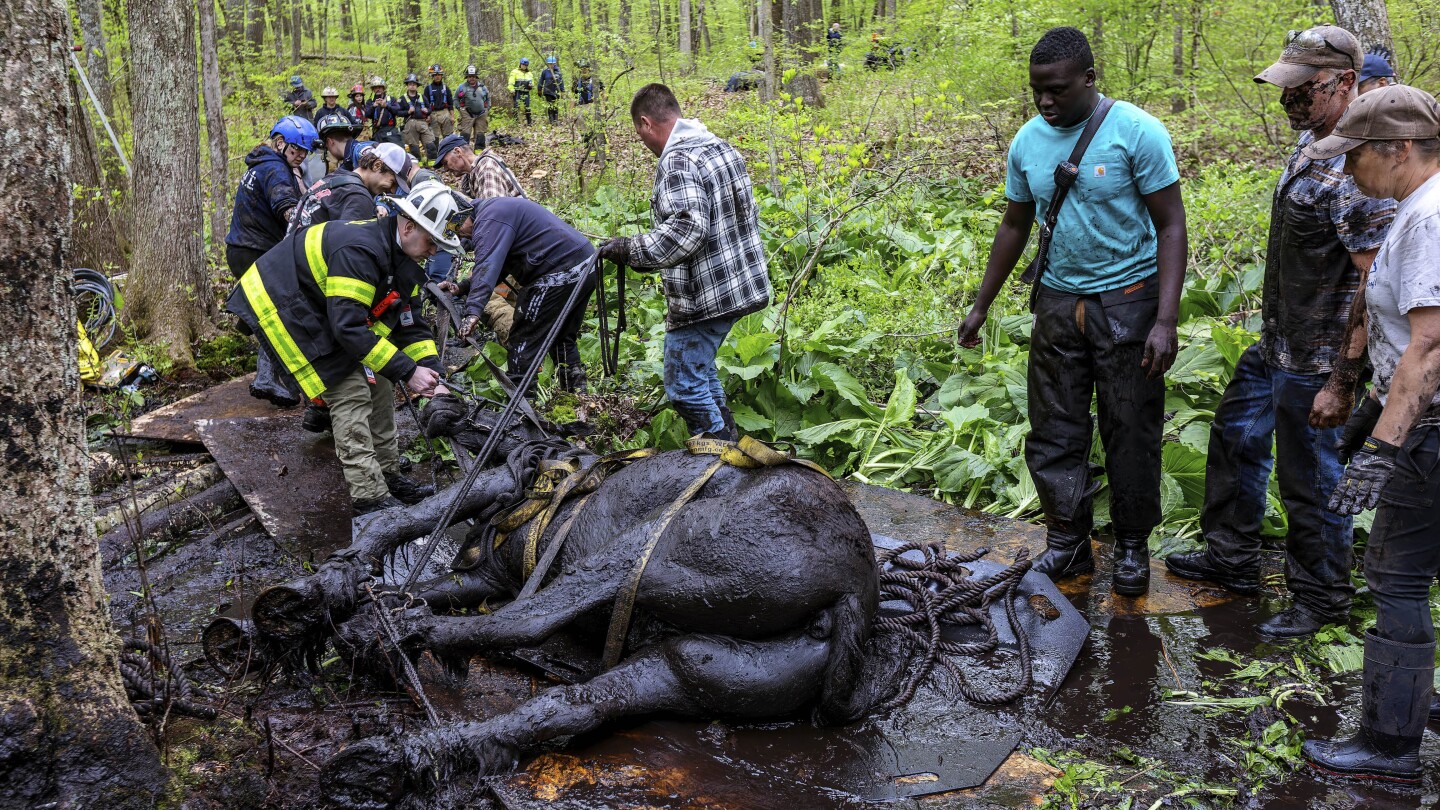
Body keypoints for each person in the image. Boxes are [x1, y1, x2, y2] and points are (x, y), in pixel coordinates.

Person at [1164, 25, 1395, 636]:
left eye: (1303, 89)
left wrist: (1342, 381)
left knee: (1311, 478)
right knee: (1235, 439)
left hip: (1319, 359)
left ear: (1345, 83)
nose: (1288, 100)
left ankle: (1322, 597)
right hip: (1277, 344)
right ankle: (1231, 559)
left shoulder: (1359, 170)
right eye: (1284, 87)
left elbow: (1376, 288)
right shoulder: (1312, 141)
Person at [956, 27, 1187, 597]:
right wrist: (981, 305)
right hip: (1058, 304)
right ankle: (1068, 539)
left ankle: (1132, 544)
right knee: (1055, 427)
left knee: (1130, 428)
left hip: (1128, 302)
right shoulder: (1028, 142)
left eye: (1056, 90)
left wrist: (1164, 319)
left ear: (1088, 79)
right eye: (1037, 91)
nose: (1045, 102)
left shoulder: (1136, 132)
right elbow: (1014, 223)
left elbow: (1172, 225)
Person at [1294, 84, 1440, 784]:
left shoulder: (1430, 219)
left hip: (1431, 431)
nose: (1348, 171)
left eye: (1357, 157)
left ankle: (1389, 748)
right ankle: (1419, 704)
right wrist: (1358, 401)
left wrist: (1384, 448)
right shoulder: (1413, 209)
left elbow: (1432, 347)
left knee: (1397, 575)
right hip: (1417, 417)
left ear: (1401, 150)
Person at [225, 180, 461, 515]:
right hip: (288, 306)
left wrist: (433, 374)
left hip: (328, 310)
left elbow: (410, 325)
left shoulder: (403, 259)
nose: (435, 251)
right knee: (351, 391)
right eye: (432, 241)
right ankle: (369, 498)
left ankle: (388, 475)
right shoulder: (360, 250)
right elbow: (348, 328)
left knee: (381, 383)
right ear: (408, 226)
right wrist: (409, 370)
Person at [598, 84, 771, 440]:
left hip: (705, 298)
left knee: (684, 387)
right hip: (737, 288)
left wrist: (632, 250)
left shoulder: (678, 159)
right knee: (702, 374)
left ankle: (719, 463)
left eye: (639, 134)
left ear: (646, 124)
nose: (643, 143)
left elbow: (688, 228)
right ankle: (731, 441)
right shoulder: (717, 146)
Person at [447, 197, 597, 392]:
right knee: (561, 335)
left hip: (558, 271)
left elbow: (487, 265)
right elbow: (499, 266)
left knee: (523, 339)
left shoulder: (490, 218)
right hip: (585, 265)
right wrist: (463, 287)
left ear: (464, 215)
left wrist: (473, 311)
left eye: (459, 228)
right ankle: (577, 394)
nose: (463, 235)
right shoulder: (495, 210)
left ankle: (521, 405)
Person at [436, 134, 526, 338]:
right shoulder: (469, 181)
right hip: (510, 250)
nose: (446, 168)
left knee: (489, 300)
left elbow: (494, 223)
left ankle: (521, 344)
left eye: (446, 162)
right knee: (514, 300)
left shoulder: (487, 169)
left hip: (516, 248)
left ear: (458, 151)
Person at [225, 115, 317, 281]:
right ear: (280, 142)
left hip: (240, 249)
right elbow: (286, 205)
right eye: (297, 148)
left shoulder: (261, 162)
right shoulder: (276, 170)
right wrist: (311, 222)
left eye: (306, 151)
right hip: (257, 252)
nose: (302, 155)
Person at [288, 143, 401, 233]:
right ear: (377, 165)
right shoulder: (358, 197)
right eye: (392, 181)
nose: (392, 190)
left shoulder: (336, 178)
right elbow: (348, 251)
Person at [400, 73, 437, 163]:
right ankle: (417, 165)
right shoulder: (402, 99)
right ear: (407, 86)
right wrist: (408, 112)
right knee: (414, 147)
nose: (412, 86)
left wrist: (427, 111)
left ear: (417, 86)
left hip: (423, 123)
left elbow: (430, 109)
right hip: (410, 124)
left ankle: (433, 164)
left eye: (414, 84)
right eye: (410, 84)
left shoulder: (422, 97)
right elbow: (397, 112)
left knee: (430, 144)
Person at [456, 64, 493, 150]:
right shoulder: (461, 87)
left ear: (476, 77)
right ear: (466, 77)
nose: (472, 78)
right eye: (469, 76)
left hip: (481, 115)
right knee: (465, 134)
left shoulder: (483, 87)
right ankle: (464, 152)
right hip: (467, 115)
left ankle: (479, 153)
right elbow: (455, 99)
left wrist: (487, 108)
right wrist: (459, 108)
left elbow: (488, 98)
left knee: (480, 134)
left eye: (473, 76)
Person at [366, 77, 404, 146]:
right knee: (379, 153)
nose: (378, 89)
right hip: (378, 131)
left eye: (380, 87)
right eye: (375, 87)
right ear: (373, 89)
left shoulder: (391, 99)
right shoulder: (370, 101)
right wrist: (373, 106)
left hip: (391, 129)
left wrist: (387, 106)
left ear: (383, 88)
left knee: (398, 148)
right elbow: (366, 115)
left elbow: (398, 110)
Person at [424, 64, 456, 139]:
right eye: (435, 75)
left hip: (445, 113)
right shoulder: (427, 89)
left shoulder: (446, 88)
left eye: (439, 74)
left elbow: (450, 104)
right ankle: (436, 151)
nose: (437, 76)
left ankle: (448, 150)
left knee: (448, 136)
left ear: (441, 75)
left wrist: (452, 116)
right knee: (434, 137)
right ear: (432, 76)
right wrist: (427, 116)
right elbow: (426, 105)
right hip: (433, 114)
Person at [510, 57, 535, 126]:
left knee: (527, 107)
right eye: (523, 65)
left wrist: (531, 85)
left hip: (526, 92)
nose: (524, 66)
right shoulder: (515, 72)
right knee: (516, 106)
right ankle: (515, 122)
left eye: (526, 65)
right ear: (520, 64)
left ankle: (529, 122)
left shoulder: (529, 73)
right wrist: (512, 90)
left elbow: (532, 82)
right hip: (517, 91)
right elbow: (511, 82)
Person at [540, 56, 564, 125]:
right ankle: (551, 121)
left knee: (556, 106)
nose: (551, 65)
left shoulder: (558, 72)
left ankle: (556, 120)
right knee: (550, 106)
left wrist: (562, 91)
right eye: (550, 64)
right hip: (547, 91)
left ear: (555, 64)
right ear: (548, 64)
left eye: (553, 64)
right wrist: (539, 89)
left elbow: (561, 82)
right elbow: (541, 81)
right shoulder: (545, 72)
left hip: (556, 92)